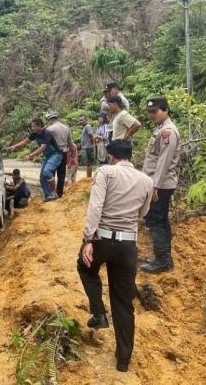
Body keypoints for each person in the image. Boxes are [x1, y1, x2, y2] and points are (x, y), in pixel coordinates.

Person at [76, 140, 153, 373]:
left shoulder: (106, 172)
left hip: (103, 239)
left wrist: (88, 240)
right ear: (131, 156)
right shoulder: (147, 180)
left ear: (111, 155)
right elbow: (143, 212)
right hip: (128, 245)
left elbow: (95, 207)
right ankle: (123, 359)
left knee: (85, 267)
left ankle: (99, 314)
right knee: (123, 302)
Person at [140, 97, 180, 273]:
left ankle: (162, 261)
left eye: (155, 111)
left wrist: (154, 186)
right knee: (161, 220)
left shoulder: (168, 131)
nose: (151, 115)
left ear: (165, 110)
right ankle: (164, 258)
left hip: (161, 185)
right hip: (159, 184)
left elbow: (164, 161)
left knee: (156, 220)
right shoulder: (161, 129)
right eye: (149, 112)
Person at [4, 117, 62, 201]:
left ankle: (53, 193)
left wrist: (30, 156)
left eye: (33, 126)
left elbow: (43, 147)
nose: (32, 128)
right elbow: (25, 142)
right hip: (47, 156)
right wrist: (13, 147)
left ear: (39, 126)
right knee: (42, 178)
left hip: (55, 155)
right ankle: (48, 196)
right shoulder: (34, 134)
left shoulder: (46, 133)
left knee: (47, 171)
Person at [46, 112, 71, 197]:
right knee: (61, 174)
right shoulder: (66, 128)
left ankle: (52, 193)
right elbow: (70, 142)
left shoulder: (50, 129)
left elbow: (47, 143)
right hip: (64, 152)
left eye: (48, 120)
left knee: (51, 172)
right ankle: (59, 193)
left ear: (51, 119)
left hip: (54, 153)